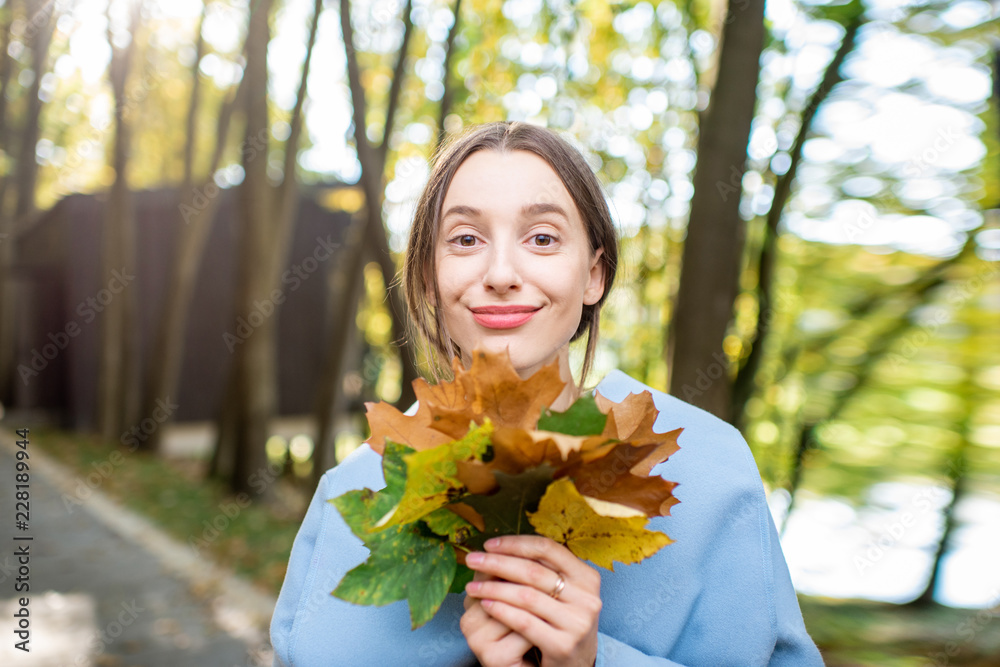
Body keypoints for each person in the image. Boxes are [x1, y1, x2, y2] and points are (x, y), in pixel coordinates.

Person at [269, 121, 824, 666]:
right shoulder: (358, 491)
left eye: (542, 238)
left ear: (594, 275)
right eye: (465, 239)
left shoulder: (710, 469)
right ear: (428, 279)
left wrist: (594, 661)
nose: (502, 272)